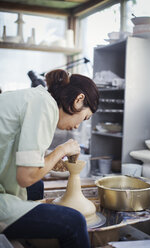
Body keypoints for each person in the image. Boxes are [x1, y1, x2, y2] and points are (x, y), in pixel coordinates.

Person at [0, 69, 99, 248]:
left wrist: (48, 159)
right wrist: (61, 150)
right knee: (74, 223)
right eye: (84, 118)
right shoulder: (44, 105)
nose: (77, 125)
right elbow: (25, 177)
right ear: (78, 100)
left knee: (36, 186)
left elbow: (10, 150)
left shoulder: (38, 97)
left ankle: (27, 240)